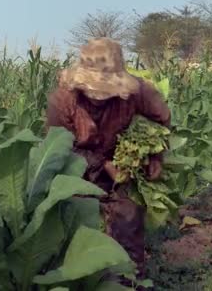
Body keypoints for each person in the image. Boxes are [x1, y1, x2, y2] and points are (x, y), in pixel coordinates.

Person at [45, 37, 171, 281]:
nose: (97, 96)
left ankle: (130, 281)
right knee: (78, 226)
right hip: (75, 170)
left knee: (128, 218)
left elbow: (162, 120)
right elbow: (58, 149)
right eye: (92, 89)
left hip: (119, 168)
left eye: (104, 90)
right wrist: (103, 164)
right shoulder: (62, 102)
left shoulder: (138, 92)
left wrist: (156, 155)